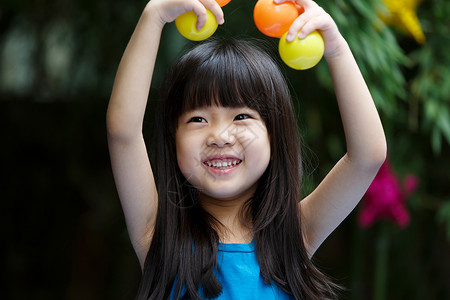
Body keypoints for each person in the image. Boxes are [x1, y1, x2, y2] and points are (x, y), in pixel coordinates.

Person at [106, 0, 387, 299]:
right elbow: (122, 133)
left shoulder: (295, 233)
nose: (220, 136)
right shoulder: (159, 234)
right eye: (198, 119)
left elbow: (367, 157)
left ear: (274, 136)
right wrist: (155, 14)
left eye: (242, 116)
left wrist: (336, 49)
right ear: (173, 138)